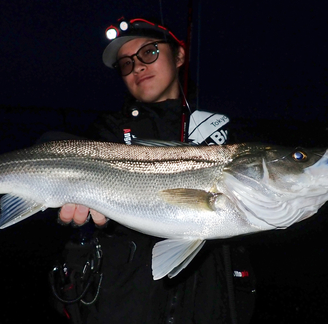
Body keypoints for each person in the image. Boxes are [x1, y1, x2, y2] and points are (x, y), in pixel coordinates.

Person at [47, 18, 255, 324]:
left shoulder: (223, 131)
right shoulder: (107, 133)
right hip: (125, 307)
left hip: (209, 306)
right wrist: (81, 224)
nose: (138, 67)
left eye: (149, 53)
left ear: (180, 55)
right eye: (126, 64)